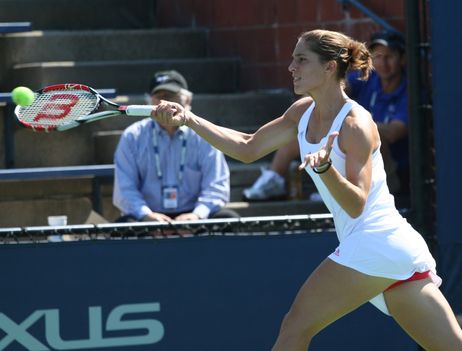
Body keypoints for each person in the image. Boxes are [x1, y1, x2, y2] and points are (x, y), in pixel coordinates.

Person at [152, 29, 462, 350]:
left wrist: (326, 171)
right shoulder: (302, 111)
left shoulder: (356, 124)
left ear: (329, 67)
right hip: (392, 248)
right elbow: (247, 147)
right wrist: (188, 118)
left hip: (375, 241)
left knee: (295, 327)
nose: (291, 67)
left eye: (301, 59)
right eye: (292, 59)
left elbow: (356, 203)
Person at [243, 30, 409, 201]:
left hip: (391, 170)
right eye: (379, 57)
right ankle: (274, 180)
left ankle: (335, 187)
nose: (383, 63)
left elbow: (395, 132)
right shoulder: (368, 79)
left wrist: (343, 123)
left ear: (402, 58)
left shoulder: (409, 91)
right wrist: (316, 105)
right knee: (303, 128)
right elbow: (336, 87)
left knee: (350, 132)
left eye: (389, 57)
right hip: (347, 168)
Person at [113, 70, 239, 222]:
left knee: (228, 219)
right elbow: (125, 190)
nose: (165, 104)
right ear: (149, 102)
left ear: (188, 101)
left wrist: (197, 215)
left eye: (171, 96)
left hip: (194, 216)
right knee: (123, 226)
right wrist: (146, 215)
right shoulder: (132, 136)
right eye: (159, 97)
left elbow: (217, 185)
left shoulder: (205, 133)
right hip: (150, 216)